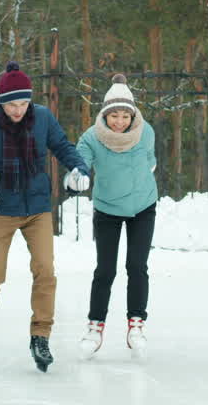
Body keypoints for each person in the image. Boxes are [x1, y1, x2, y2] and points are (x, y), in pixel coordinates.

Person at [0, 61, 90, 373]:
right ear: (1, 102)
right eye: (12, 104)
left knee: (45, 270)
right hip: (0, 207)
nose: (18, 110)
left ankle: (40, 337)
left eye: (23, 102)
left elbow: (63, 146)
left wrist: (79, 169)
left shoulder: (42, 117)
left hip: (37, 208)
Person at [74, 74, 157, 359]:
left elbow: (151, 159)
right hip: (108, 208)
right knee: (105, 270)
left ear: (132, 115)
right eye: (114, 116)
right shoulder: (92, 137)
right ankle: (95, 327)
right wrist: (78, 175)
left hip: (143, 207)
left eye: (124, 115)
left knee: (137, 265)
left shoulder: (146, 132)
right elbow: (80, 161)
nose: (119, 121)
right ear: (104, 114)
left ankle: (136, 324)